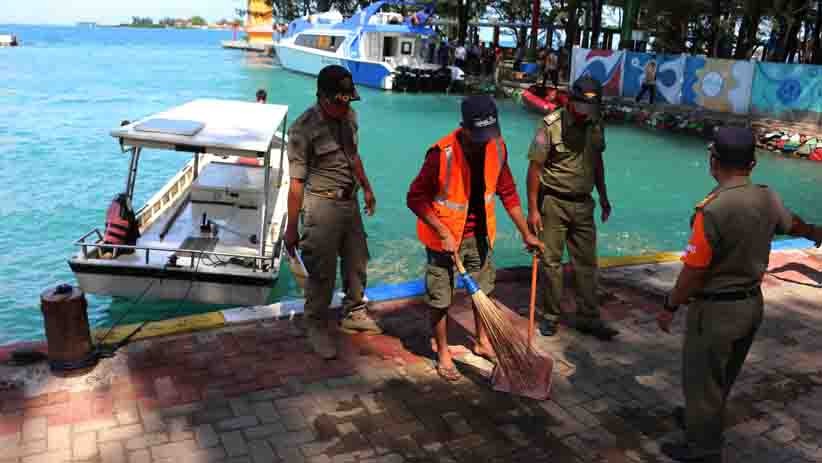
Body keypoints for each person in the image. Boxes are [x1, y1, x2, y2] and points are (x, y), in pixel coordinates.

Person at [656, 127, 822, 462]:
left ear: (713, 161)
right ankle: (701, 421)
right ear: (753, 162)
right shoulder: (767, 197)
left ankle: (703, 449)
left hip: (715, 313)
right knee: (723, 375)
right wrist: (816, 233)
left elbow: (694, 270)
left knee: (702, 380)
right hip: (750, 307)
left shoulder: (711, 211)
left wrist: (670, 304)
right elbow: (794, 225)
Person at [407, 95, 544, 382]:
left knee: (484, 291)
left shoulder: (497, 146)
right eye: (478, 136)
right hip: (443, 241)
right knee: (440, 299)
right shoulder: (441, 154)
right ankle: (443, 352)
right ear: (464, 128)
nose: (484, 142)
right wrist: (442, 231)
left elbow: (507, 192)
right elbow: (415, 198)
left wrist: (526, 232)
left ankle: (483, 341)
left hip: (480, 235)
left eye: (489, 135)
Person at [285, 65, 382, 360]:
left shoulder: (349, 117)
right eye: (339, 101)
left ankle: (353, 312)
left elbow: (353, 154)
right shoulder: (303, 129)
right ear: (323, 97)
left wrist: (366, 186)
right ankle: (314, 323)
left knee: (357, 262)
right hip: (321, 206)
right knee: (321, 272)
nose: (345, 106)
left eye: (348, 100)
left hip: (349, 202)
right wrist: (291, 227)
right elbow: (296, 183)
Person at [526, 76, 618, 340]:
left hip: (583, 203)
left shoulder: (596, 124)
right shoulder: (549, 126)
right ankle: (550, 316)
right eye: (582, 107)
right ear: (571, 101)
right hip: (553, 202)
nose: (586, 114)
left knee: (587, 263)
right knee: (551, 262)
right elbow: (534, 170)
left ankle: (589, 317)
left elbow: (597, 161)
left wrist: (603, 195)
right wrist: (533, 210)